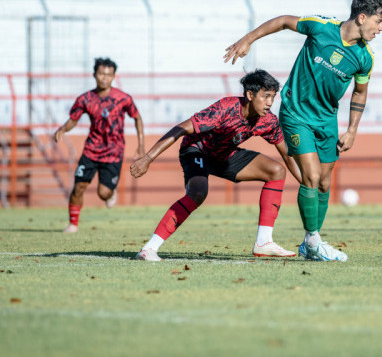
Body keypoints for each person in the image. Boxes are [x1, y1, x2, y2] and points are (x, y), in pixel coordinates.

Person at [223, 0, 382, 262]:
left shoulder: (365, 58)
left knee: (324, 183)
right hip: (296, 113)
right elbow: (283, 22)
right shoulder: (321, 27)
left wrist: (352, 130)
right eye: (379, 21)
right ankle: (314, 240)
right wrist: (248, 40)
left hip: (326, 120)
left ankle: (309, 244)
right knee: (311, 177)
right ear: (362, 17)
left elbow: (360, 93)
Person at [131, 69, 302, 261]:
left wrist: (308, 185)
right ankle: (149, 249)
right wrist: (147, 158)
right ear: (250, 95)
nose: (270, 103)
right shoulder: (226, 108)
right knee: (198, 192)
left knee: (276, 170)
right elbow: (180, 129)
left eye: (273, 97)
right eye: (265, 96)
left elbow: (287, 155)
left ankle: (264, 242)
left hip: (224, 155)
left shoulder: (268, 120)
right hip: (196, 150)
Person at [54, 57, 145, 233]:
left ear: (113, 77)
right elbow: (73, 120)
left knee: (103, 193)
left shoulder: (123, 98)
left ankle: (111, 192)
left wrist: (141, 145)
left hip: (114, 152)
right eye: (101, 74)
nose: (104, 78)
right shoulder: (85, 99)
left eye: (109, 75)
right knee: (79, 186)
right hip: (91, 150)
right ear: (94, 74)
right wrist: (63, 129)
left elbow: (137, 118)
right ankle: (73, 224)